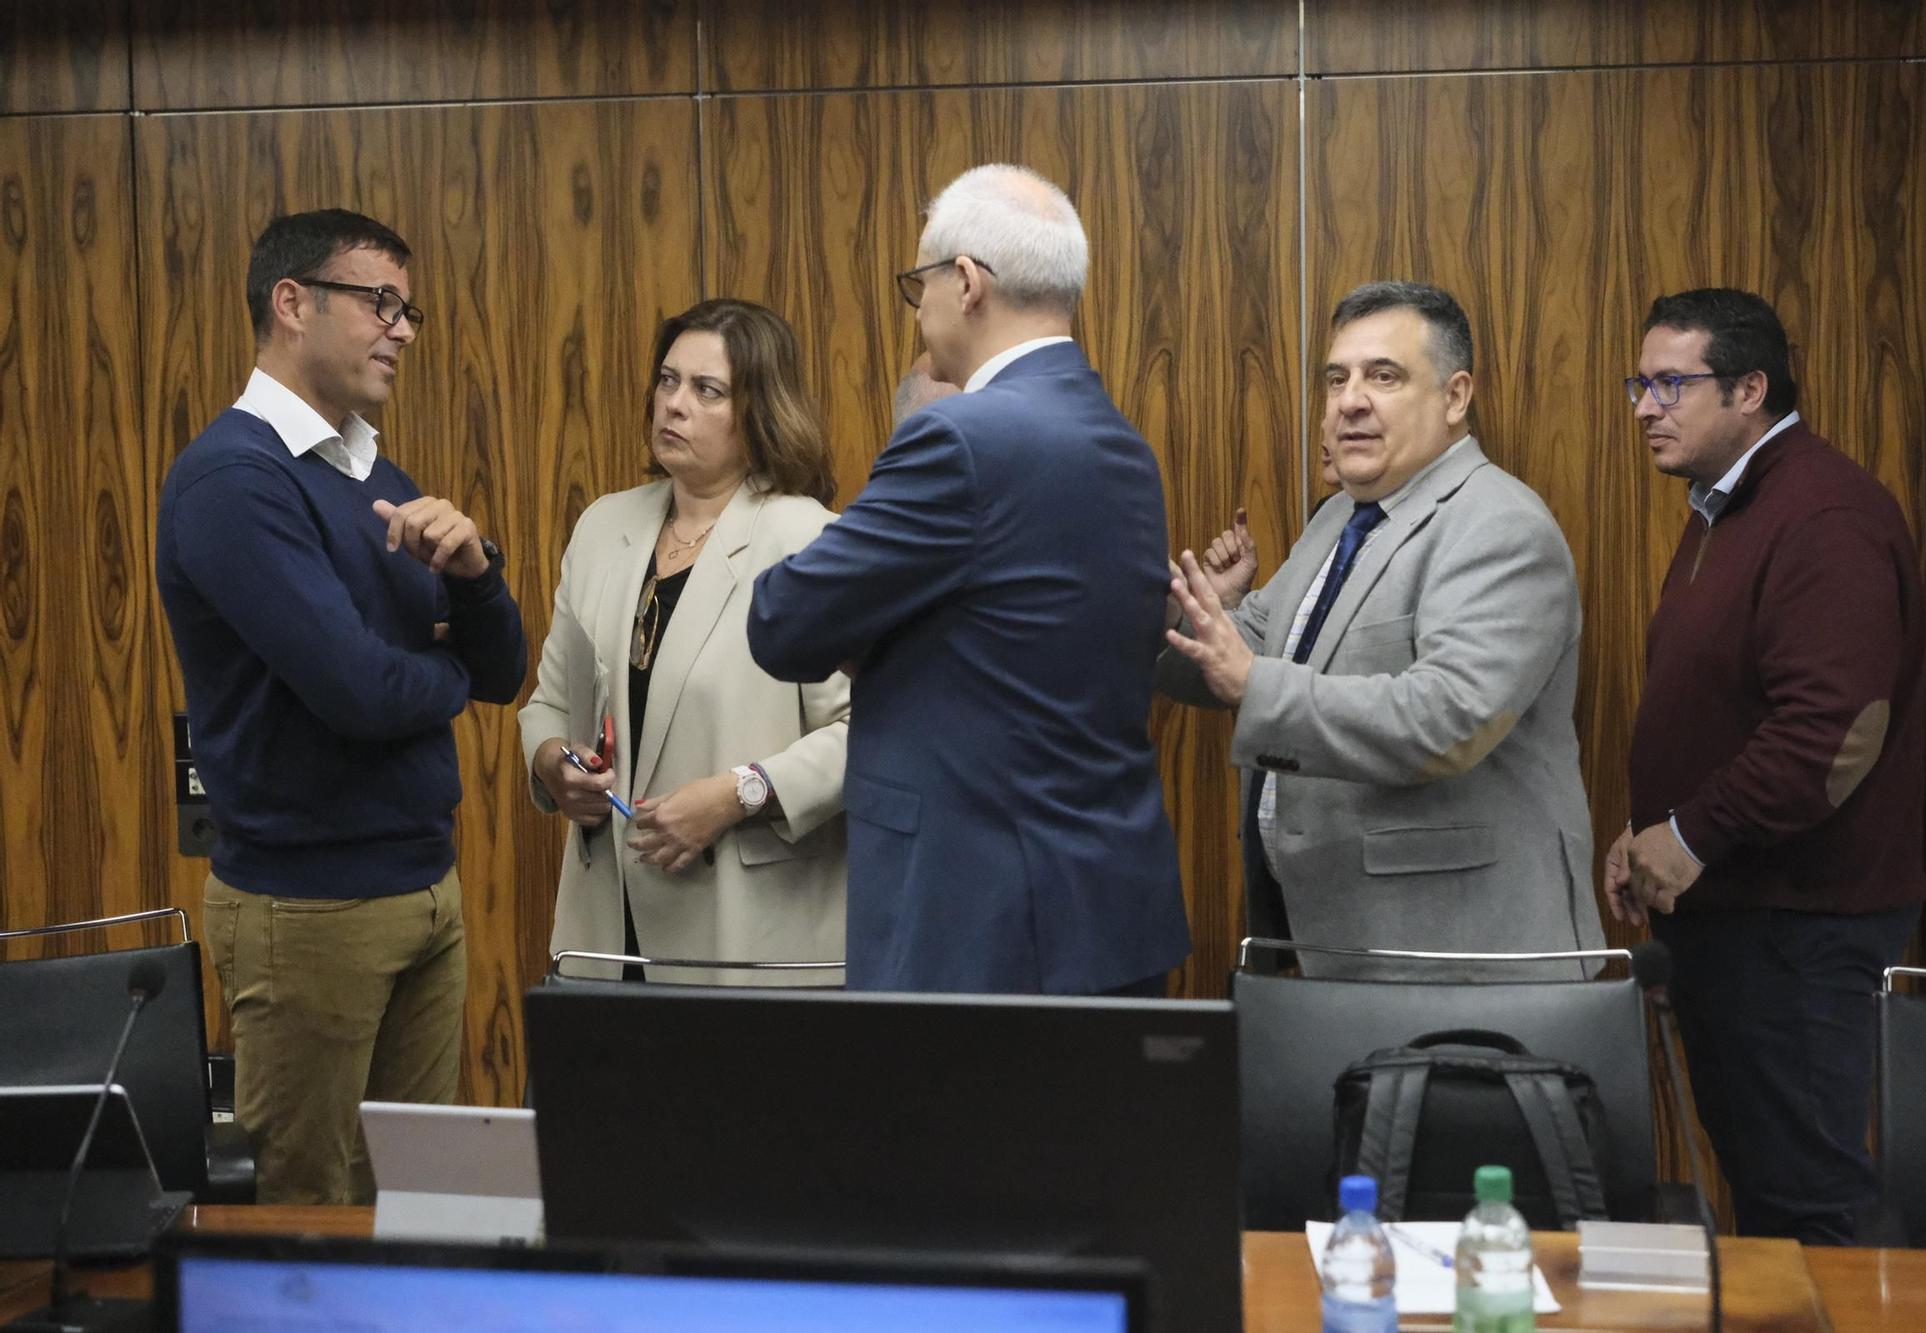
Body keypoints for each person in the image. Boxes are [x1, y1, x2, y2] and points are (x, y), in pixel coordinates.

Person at [155, 209, 526, 1203]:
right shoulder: (233, 480)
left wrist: (478, 574)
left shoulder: (374, 474)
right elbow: (359, 690)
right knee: (305, 1214)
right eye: (380, 303)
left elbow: (501, 671)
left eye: (408, 310)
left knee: (420, 1199)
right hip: (308, 906)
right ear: (291, 303)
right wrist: (433, 670)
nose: (402, 329)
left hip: (424, 887)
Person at [747, 163, 1190, 995]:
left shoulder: (958, 437)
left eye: (919, 285)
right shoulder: (1125, 445)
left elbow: (782, 621)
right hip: (1107, 918)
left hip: (978, 928)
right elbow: (1016, 641)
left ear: (966, 281)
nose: (919, 309)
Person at [1159, 281, 1604, 981]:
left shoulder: (1501, 525)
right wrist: (1159, 600)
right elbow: (1244, 649)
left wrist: (1253, 681)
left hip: (1459, 961)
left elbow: (1447, 717)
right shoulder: (1338, 517)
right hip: (1329, 943)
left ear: (1456, 397)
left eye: (1383, 376)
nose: (1349, 401)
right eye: (1337, 378)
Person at [1604, 288, 1926, 1243]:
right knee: (1766, 1187)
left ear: (1751, 388)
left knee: (1808, 1199)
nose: (1645, 406)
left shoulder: (1823, 513)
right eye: (1641, 382)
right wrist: (1651, 829)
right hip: (1738, 913)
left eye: (1671, 382)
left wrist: (1693, 831)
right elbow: (1716, 704)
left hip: (1797, 925)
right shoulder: (1728, 506)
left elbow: (1832, 733)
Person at [518, 299, 849, 985]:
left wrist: (740, 792)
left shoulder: (805, 538)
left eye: (707, 390)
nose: (674, 404)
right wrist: (555, 764)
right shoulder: (603, 527)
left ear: (758, 410)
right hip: (604, 931)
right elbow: (550, 704)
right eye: (668, 381)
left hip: (747, 931)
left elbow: (866, 728)